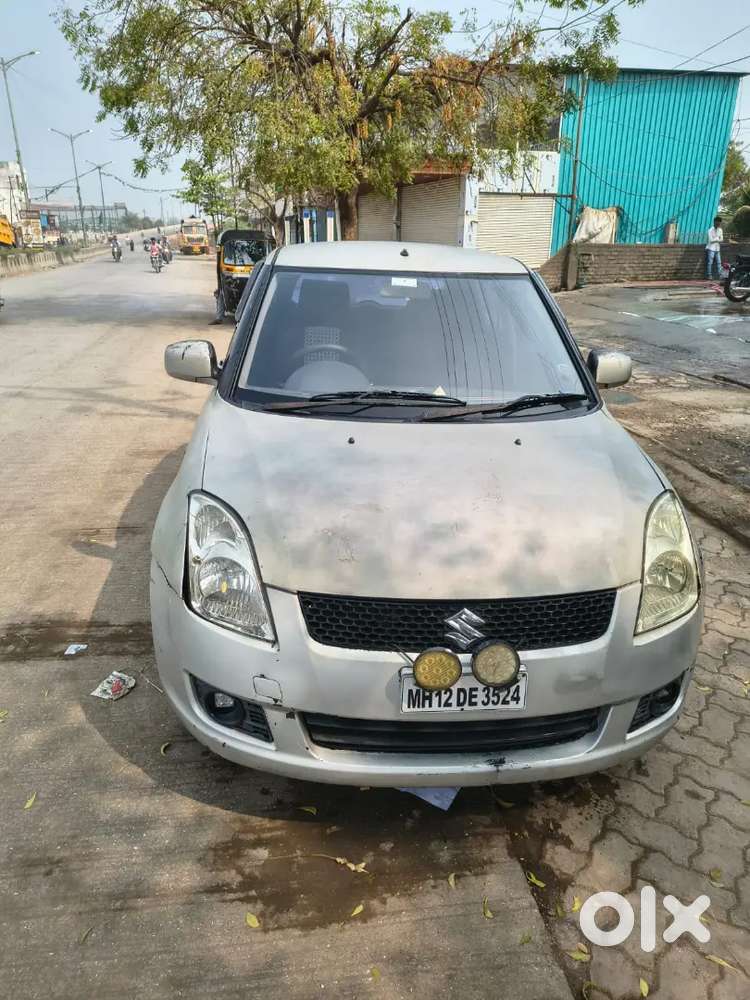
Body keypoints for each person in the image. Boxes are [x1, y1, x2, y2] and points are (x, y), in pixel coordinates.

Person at [705, 216, 723, 281]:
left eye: (719, 223)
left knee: (719, 262)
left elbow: (722, 239)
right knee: (710, 262)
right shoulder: (710, 230)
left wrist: (716, 239)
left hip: (717, 248)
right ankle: (709, 275)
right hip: (710, 248)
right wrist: (717, 238)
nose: (719, 224)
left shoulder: (720, 230)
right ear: (714, 222)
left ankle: (720, 276)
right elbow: (710, 240)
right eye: (718, 223)